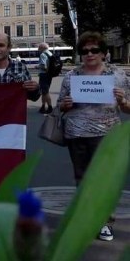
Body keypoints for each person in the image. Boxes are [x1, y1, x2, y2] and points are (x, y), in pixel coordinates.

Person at [57, 31, 130, 242]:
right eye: (84, 51)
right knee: (82, 179)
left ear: (104, 53)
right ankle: (84, 220)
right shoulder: (72, 76)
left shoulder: (117, 76)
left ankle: (106, 221)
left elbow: (127, 109)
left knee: (104, 181)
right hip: (76, 134)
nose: (89, 54)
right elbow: (60, 105)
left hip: (107, 135)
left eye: (94, 50)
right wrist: (65, 104)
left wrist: (123, 101)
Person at [38, 43, 53, 114]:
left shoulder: (43, 54)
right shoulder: (50, 53)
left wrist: (37, 67)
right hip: (50, 75)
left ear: (42, 48)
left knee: (45, 92)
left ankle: (50, 107)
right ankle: (43, 106)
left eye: (39, 47)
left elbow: (44, 66)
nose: (38, 49)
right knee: (44, 91)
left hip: (44, 75)